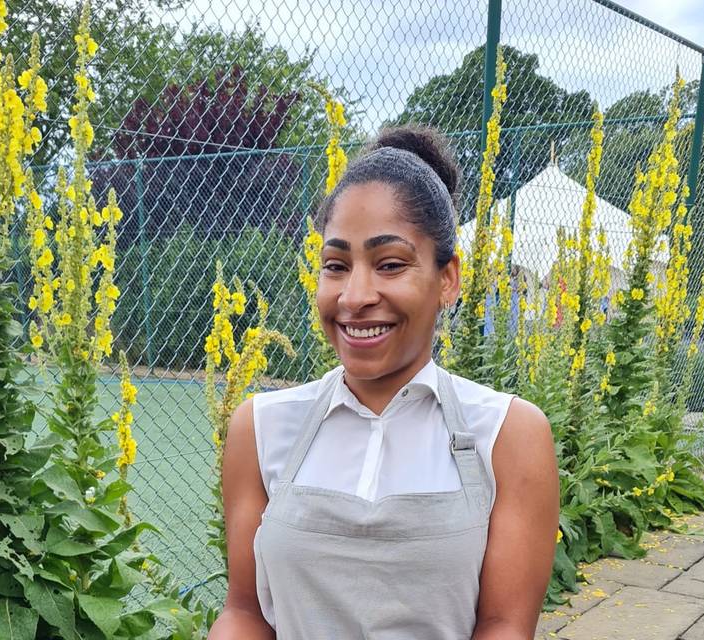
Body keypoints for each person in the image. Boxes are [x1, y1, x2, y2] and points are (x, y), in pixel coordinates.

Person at [209, 126, 559, 639]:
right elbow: (244, 612)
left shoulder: (508, 436)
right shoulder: (261, 428)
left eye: (389, 264)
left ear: (447, 280)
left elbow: (504, 626)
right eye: (336, 265)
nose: (355, 295)